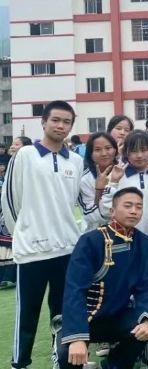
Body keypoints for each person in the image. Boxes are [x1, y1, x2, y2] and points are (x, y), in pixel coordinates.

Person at [1, 101, 84, 369]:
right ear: (44, 122)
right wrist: (22, 234)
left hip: (66, 248)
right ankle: (20, 363)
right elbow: (10, 200)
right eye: (55, 120)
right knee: (27, 314)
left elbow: (75, 203)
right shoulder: (25, 155)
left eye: (66, 122)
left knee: (61, 312)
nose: (60, 126)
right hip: (32, 251)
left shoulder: (76, 160)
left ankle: (59, 358)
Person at [57, 187, 148, 369]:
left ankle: (114, 364)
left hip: (118, 316)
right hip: (87, 318)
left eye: (139, 207)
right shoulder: (90, 241)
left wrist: (147, 321)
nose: (134, 211)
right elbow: (75, 290)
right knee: (67, 356)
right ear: (112, 211)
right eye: (128, 206)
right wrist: (77, 337)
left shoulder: (145, 244)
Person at [101, 130, 148, 236]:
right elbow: (106, 211)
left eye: (144, 150)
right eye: (134, 151)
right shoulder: (117, 175)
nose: (139, 155)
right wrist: (113, 182)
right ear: (126, 152)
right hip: (124, 237)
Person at [0, 137, 31, 290]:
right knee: (4, 241)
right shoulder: (12, 162)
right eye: (12, 144)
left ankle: (13, 275)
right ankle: (6, 277)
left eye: (17, 144)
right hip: (6, 210)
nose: (12, 146)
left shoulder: (27, 165)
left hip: (21, 209)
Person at [79, 132, 119, 230]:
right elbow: (91, 217)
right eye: (97, 150)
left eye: (108, 148)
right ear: (90, 154)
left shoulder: (124, 171)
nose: (104, 153)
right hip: (98, 234)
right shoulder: (84, 179)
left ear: (115, 150)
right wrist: (99, 190)